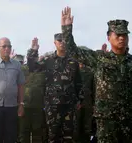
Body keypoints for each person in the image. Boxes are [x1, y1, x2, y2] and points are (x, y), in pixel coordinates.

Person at [61, 6, 132, 142]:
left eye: (125, 35)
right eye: (118, 35)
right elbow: (73, 51)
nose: (122, 38)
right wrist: (67, 29)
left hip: (128, 119)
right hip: (106, 119)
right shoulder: (99, 58)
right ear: (109, 37)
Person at [27, 35, 82, 142]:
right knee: (53, 134)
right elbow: (33, 67)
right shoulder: (48, 60)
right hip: (52, 104)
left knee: (68, 135)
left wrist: (80, 99)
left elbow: (78, 82)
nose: (62, 42)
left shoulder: (73, 62)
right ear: (55, 43)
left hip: (69, 104)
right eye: (59, 40)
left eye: (64, 40)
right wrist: (33, 51)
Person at [14, 54, 46, 143]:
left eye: (36, 57)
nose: (34, 59)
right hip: (24, 106)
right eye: (32, 57)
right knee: (23, 132)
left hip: (38, 107)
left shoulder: (43, 72)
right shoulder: (23, 69)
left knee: (37, 132)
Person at [76, 61, 94, 143]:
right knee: (78, 125)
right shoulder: (73, 70)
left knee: (85, 126)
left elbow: (94, 88)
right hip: (78, 102)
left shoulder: (90, 72)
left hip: (87, 102)